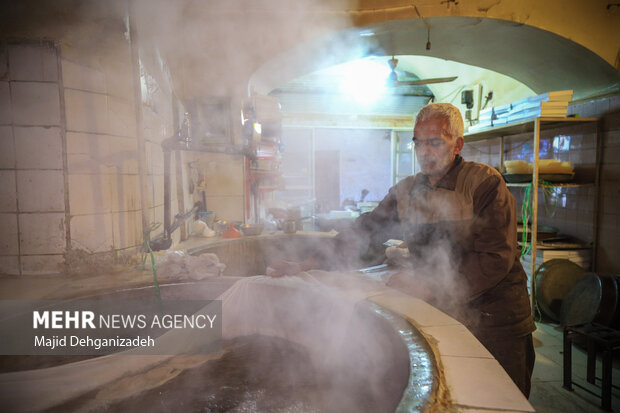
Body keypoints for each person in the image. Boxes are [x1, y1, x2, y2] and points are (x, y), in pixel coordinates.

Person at [268, 103, 536, 397]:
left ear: (458, 145)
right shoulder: (408, 191)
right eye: (417, 142)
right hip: (445, 311)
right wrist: (306, 263)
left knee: (497, 398)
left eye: (434, 142)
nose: (424, 151)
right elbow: (365, 232)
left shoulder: (484, 183)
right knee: (453, 394)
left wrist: (428, 286)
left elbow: (494, 258)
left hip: (495, 319)